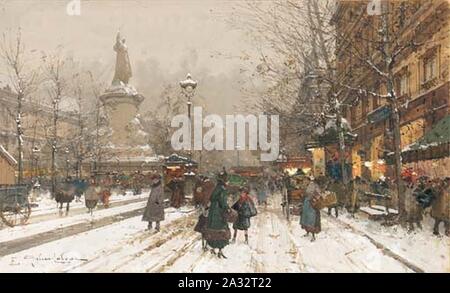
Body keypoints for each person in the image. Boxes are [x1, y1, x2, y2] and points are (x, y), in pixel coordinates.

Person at [204, 171, 231, 258]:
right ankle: (219, 248)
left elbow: (212, 198)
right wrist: (228, 208)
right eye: (227, 180)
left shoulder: (217, 188)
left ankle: (213, 246)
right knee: (221, 230)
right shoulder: (222, 189)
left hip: (213, 211)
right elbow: (223, 202)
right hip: (219, 213)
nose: (228, 182)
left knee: (213, 228)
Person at [300, 176, 321, 241]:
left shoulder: (314, 185)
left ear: (309, 180)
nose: (305, 181)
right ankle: (307, 232)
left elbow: (319, 194)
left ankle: (313, 236)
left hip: (312, 204)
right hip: (306, 203)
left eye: (306, 180)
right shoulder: (306, 186)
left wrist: (314, 198)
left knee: (311, 219)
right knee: (305, 218)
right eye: (304, 180)